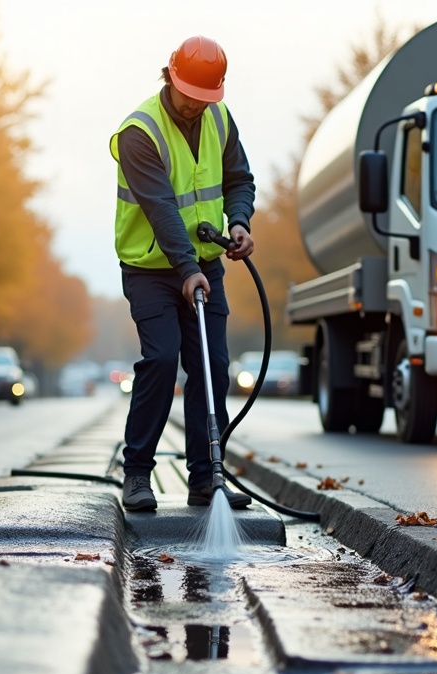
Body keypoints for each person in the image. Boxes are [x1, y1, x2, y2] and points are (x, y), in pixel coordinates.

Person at [111, 35, 255, 512]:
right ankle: (136, 474)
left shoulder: (219, 118)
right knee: (161, 358)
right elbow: (161, 209)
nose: (196, 106)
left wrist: (239, 221)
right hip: (151, 268)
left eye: (205, 98)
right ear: (170, 78)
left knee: (213, 367)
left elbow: (239, 179)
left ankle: (206, 477)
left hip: (205, 265)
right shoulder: (139, 133)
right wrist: (186, 269)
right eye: (190, 95)